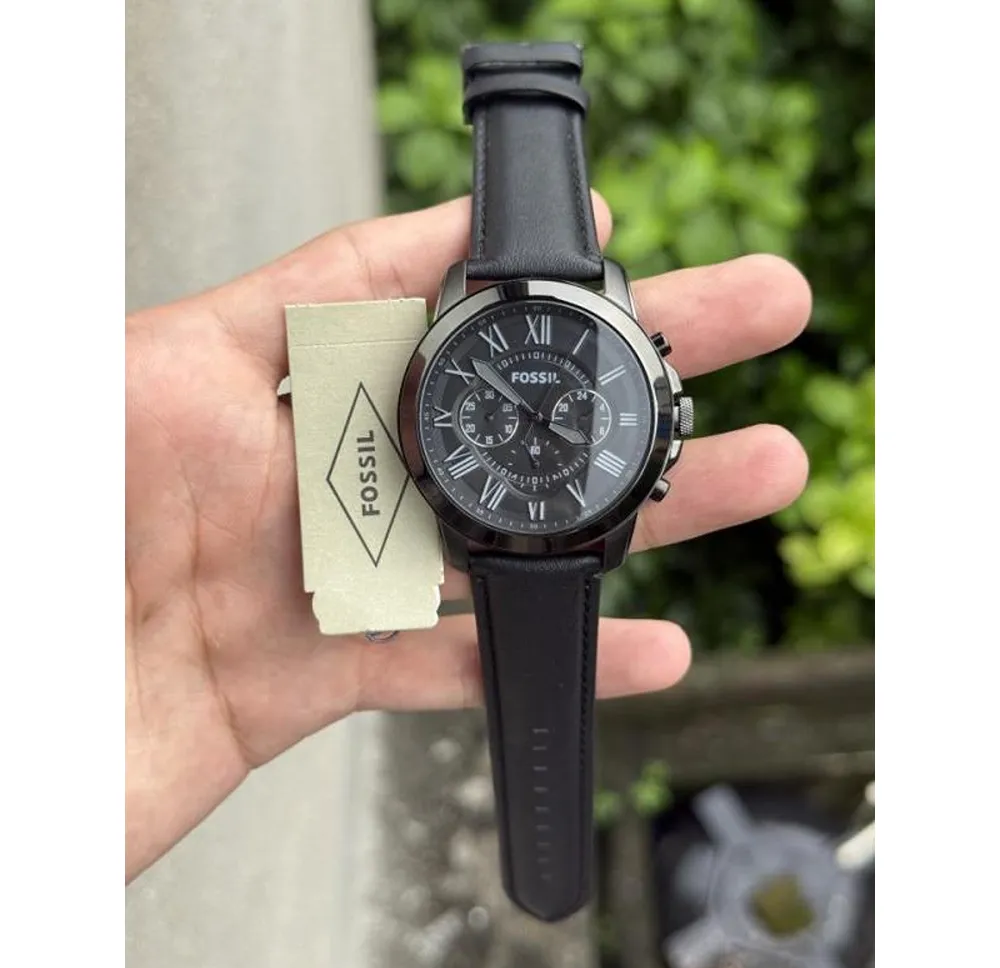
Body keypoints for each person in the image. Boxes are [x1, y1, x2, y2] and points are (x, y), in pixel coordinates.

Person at [125, 195, 811, 883]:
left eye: (564, 418)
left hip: (534, 523)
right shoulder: (475, 368)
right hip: (483, 525)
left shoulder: (522, 347)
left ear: (667, 418)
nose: (541, 422)